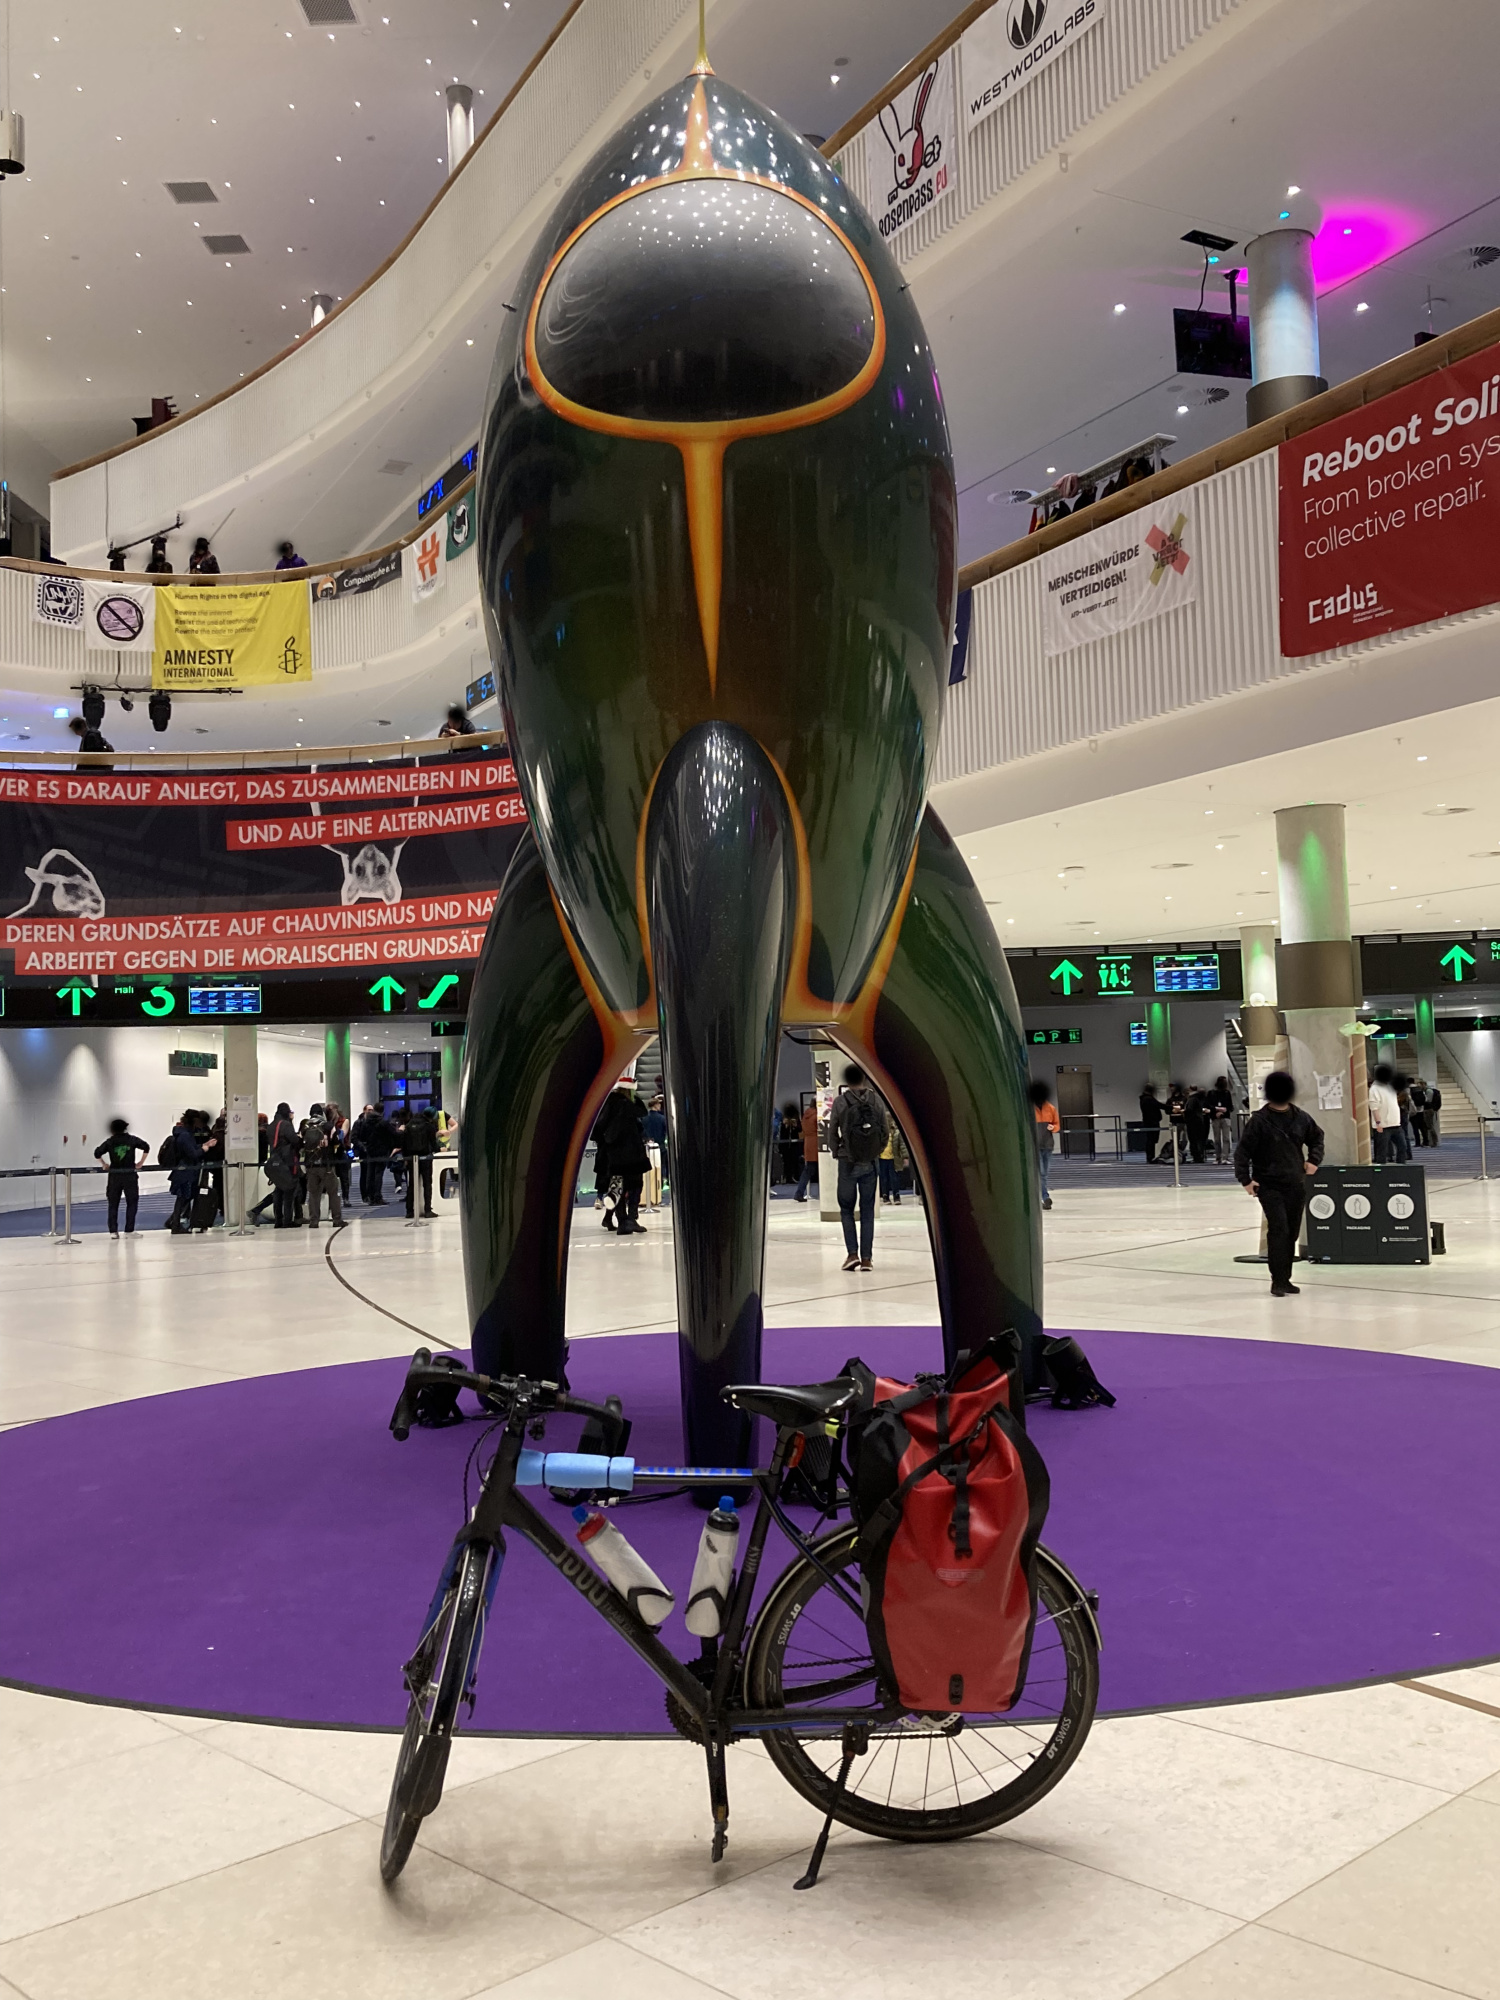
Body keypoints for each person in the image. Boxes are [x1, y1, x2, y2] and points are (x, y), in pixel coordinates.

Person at [1233, 1070, 1324, 1298]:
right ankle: (1277, 1280)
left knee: (1291, 1231)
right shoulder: (1259, 1121)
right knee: (1279, 1229)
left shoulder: (1301, 1118)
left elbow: (1317, 1138)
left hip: (1295, 1182)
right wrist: (1245, 1180)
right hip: (1268, 1184)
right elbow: (1242, 1152)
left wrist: (1314, 1160)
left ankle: (1286, 1278)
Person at [831, 1065, 888, 1272]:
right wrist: (875, 1151)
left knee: (846, 1209)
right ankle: (867, 1259)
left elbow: (832, 1132)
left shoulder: (840, 1102)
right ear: (864, 1078)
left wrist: (837, 1151)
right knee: (867, 1210)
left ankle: (852, 1254)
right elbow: (885, 1131)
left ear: (847, 1080)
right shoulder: (876, 1100)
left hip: (847, 1162)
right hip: (870, 1163)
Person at [592, 1087, 649, 1235]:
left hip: (613, 1156)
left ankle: (622, 1221)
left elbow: (597, 1130)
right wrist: (635, 1098)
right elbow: (642, 1112)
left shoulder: (607, 1105)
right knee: (635, 1185)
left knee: (618, 1188)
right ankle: (631, 1219)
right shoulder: (626, 1105)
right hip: (631, 1155)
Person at [94, 1118, 150, 1237]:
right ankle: (129, 1230)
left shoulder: (110, 1141)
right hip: (129, 1174)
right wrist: (141, 1162)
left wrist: (104, 1164)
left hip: (115, 1175)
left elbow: (97, 1153)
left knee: (113, 1204)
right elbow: (146, 1146)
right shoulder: (131, 1140)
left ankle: (113, 1231)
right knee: (132, 1202)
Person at [298, 1103, 342, 1226]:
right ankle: (336, 1219)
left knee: (313, 1194)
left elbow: (299, 1144)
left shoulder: (305, 1127)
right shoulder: (328, 1125)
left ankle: (313, 1221)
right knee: (333, 1192)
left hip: (311, 1165)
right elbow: (337, 1141)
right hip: (327, 1164)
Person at [165, 1110, 205, 1234]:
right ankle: (175, 1224)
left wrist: (202, 1146)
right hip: (186, 1172)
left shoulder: (183, 1134)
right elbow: (192, 1154)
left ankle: (173, 1221)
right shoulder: (185, 1136)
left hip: (184, 1171)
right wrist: (204, 1149)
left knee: (184, 1198)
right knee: (182, 1198)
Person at [265, 1101, 301, 1228]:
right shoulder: (285, 1125)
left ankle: (278, 1220)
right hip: (287, 1162)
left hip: (275, 1161)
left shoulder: (271, 1126)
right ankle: (287, 1220)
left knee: (278, 1191)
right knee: (289, 1190)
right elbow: (294, 1140)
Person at [400, 1104, 438, 1221]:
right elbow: (433, 1144)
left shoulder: (409, 1125)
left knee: (412, 1185)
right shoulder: (429, 1126)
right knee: (427, 1184)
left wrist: (406, 1158)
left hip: (411, 1159)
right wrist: (439, 1149)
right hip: (425, 1158)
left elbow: (404, 1144)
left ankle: (409, 1211)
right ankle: (427, 1210)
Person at [1029, 1078, 1059, 1210]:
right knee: (1040, 1173)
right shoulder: (1030, 1109)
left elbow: (1057, 1125)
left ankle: (1042, 1197)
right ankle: (1044, 1197)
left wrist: (1054, 1128)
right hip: (1035, 1146)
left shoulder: (1051, 1108)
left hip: (1048, 1145)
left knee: (1044, 1174)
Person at [1368, 1063, 1401, 1163]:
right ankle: (1381, 1169)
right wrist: (1378, 1124)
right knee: (1382, 1151)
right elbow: (1374, 1108)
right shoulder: (1374, 1089)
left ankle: (1401, 1167)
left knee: (1402, 1147)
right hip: (1383, 1125)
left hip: (1395, 1124)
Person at [793, 1096, 819, 1202]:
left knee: (808, 1170)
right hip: (817, 1142)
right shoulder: (817, 1115)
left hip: (808, 1143)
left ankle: (799, 1192)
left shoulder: (806, 1115)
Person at [643, 1094, 667, 1209]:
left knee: (648, 1171)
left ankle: (648, 1194)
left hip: (647, 1148)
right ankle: (658, 1194)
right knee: (659, 1170)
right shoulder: (662, 1118)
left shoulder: (644, 1119)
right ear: (656, 1105)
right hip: (660, 1147)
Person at [1138, 1082, 1169, 1162]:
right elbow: (1159, 1105)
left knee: (1151, 1140)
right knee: (1151, 1141)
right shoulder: (1148, 1099)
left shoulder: (1144, 1098)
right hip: (1152, 1122)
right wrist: (1172, 1108)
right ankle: (1150, 1157)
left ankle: (1150, 1157)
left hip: (1149, 1122)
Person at [1209, 1076, 1235, 1164]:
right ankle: (1218, 1157)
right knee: (1217, 1139)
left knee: (1226, 1138)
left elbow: (1230, 1106)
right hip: (1215, 1117)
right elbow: (1208, 1105)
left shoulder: (1227, 1093)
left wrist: (1224, 1111)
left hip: (1225, 1117)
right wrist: (1216, 1111)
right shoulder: (1212, 1093)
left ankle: (1225, 1157)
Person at [1184, 1085, 1211, 1165]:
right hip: (1199, 1121)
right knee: (1200, 1140)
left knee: (1194, 1140)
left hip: (1193, 1122)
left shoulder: (1192, 1099)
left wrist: (1184, 1112)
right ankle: (1200, 1156)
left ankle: (1197, 1156)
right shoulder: (1198, 1099)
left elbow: (1189, 1110)